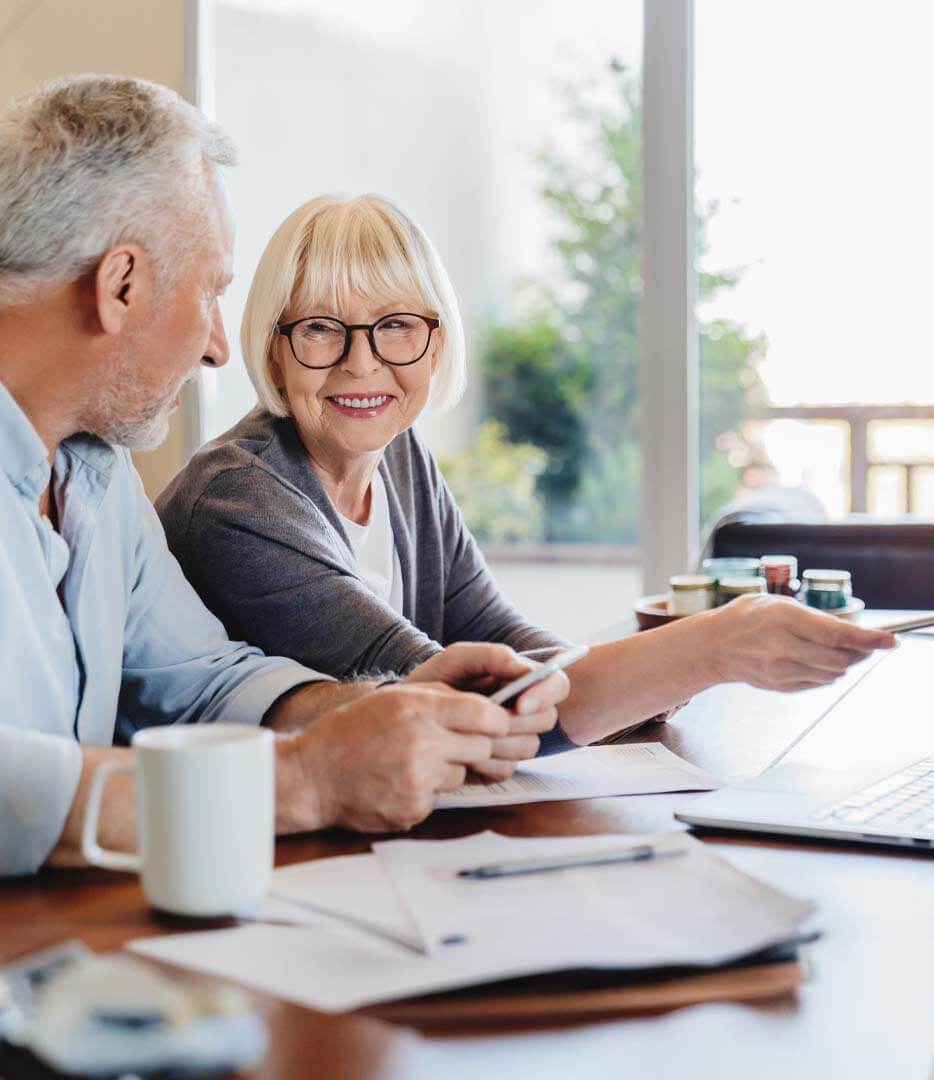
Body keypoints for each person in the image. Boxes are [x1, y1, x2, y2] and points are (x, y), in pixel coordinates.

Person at [0, 76, 567, 879]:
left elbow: (202, 677)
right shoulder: (232, 491)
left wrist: (375, 709)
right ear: (120, 286)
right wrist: (300, 780)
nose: (217, 349)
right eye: (212, 294)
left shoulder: (97, 472)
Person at [157, 193, 896, 754]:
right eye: (320, 327)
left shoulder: (402, 458)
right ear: (274, 348)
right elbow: (457, 701)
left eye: (396, 326)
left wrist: (634, 686)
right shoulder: (238, 500)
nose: (362, 362)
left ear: (436, 342)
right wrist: (706, 650)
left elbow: (495, 633)